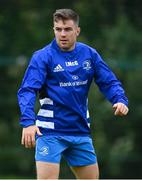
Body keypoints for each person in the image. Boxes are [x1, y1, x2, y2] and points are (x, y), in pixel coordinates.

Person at [17, 8, 129, 179]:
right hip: (49, 132)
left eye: (67, 29)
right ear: (53, 29)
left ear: (77, 31)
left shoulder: (89, 54)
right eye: (58, 29)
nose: (62, 34)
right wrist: (28, 122)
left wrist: (120, 99)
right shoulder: (43, 57)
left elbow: (109, 81)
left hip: (80, 130)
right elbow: (27, 90)